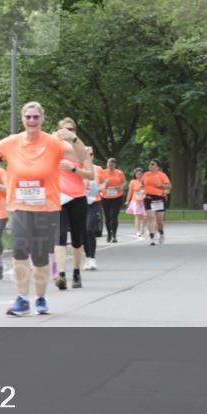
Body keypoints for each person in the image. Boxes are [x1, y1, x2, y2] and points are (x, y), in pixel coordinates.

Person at [0, 101, 89, 316]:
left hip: (46, 207)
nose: (32, 121)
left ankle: (41, 298)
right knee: (19, 250)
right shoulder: (12, 141)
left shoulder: (54, 143)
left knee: (39, 255)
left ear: (42, 119)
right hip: (19, 205)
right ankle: (22, 299)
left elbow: (81, 157)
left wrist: (73, 138)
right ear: (23, 119)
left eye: (36, 117)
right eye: (28, 117)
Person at [53, 118, 94, 290]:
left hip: (78, 198)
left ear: (75, 131)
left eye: (71, 129)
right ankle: (61, 274)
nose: (68, 132)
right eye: (64, 129)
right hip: (59, 198)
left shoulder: (83, 150)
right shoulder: (54, 148)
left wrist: (74, 168)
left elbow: (90, 175)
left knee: (77, 239)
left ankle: (76, 271)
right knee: (60, 236)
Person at [83, 146, 106, 271]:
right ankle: (86, 257)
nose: (89, 157)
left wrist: (101, 187)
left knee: (90, 230)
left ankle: (92, 258)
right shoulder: (77, 169)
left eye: (91, 154)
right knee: (82, 232)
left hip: (94, 201)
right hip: (80, 202)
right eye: (86, 154)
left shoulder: (98, 169)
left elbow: (103, 182)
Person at [141, 159, 171, 246]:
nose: (150, 165)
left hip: (158, 198)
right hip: (148, 198)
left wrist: (161, 185)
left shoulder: (161, 175)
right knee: (151, 217)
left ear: (157, 167)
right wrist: (142, 191)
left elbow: (169, 186)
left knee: (159, 221)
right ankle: (152, 238)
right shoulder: (145, 175)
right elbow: (142, 185)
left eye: (152, 164)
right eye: (150, 164)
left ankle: (161, 233)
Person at [100, 159, 126, 242]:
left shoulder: (119, 173)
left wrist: (121, 186)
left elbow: (124, 182)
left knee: (114, 216)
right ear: (107, 164)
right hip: (105, 197)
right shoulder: (103, 172)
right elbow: (98, 183)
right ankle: (109, 234)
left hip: (117, 196)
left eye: (112, 164)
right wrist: (104, 184)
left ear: (115, 165)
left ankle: (114, 235)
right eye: (109, 164)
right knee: (107, 217)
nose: (111, 166)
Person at [124, 167, 147, 239]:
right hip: (136, 201)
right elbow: (130, 192)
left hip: (144, 201)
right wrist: (127, 200)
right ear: (135, 175)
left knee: (144, 216)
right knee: (137, 216)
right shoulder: (133, 182)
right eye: (137, 174)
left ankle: (142, 227)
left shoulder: (145, 181)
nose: (139, 175)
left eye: (140, 174)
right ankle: (138, 231)